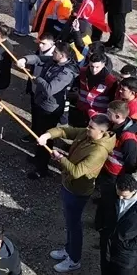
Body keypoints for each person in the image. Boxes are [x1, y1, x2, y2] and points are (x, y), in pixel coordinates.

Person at [38, 116, 116, 273]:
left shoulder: (98, 151)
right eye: (88, 125)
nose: (87, 128)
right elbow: (66, 131)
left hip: (78, 191)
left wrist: (61, 159)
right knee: (69, 222)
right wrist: (48, 135)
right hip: (68, 185)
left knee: (74, 225)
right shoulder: (87, 134)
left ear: (102, 132)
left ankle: (74, 259)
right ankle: (69, 249)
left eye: (91, 127)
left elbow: (77, 172)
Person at [18, 38, 79, 176]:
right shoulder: (54, 60)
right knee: (39, 132)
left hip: (50, 109)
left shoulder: (66, 73)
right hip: (42, 103)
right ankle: (38, 158)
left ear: (62, 55)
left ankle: (42, 168)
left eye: (55, 52)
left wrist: (38, 79)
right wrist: (25, 59)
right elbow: (39, 58)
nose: (52, 53)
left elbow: (50, 89)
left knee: (46, 137)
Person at [72, 49, 117, 127]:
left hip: (98, 114)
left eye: (97, 67)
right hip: (81, 110)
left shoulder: (110, 80)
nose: (94, 70)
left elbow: (112, 99)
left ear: (103, 65)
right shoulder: (82, 72)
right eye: (92, 66)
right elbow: (77, 85)